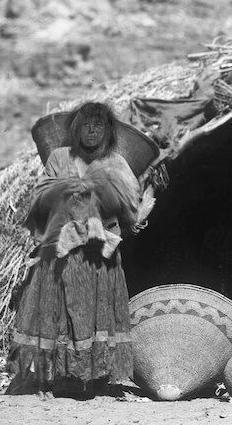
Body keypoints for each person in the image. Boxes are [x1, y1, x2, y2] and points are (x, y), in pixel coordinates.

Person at [8, 102, 143, 399]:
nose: (92, 131)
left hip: (98, 254)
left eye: (99, 125)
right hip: (62, 251)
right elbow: (41, 197)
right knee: (56, 314)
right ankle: (52, 381)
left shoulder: (116, 162)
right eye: (86, 125)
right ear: (76, 129)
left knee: (96, 315)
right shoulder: (59, 157)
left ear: (108, 131)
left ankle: (95, 380)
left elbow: (130, 208)